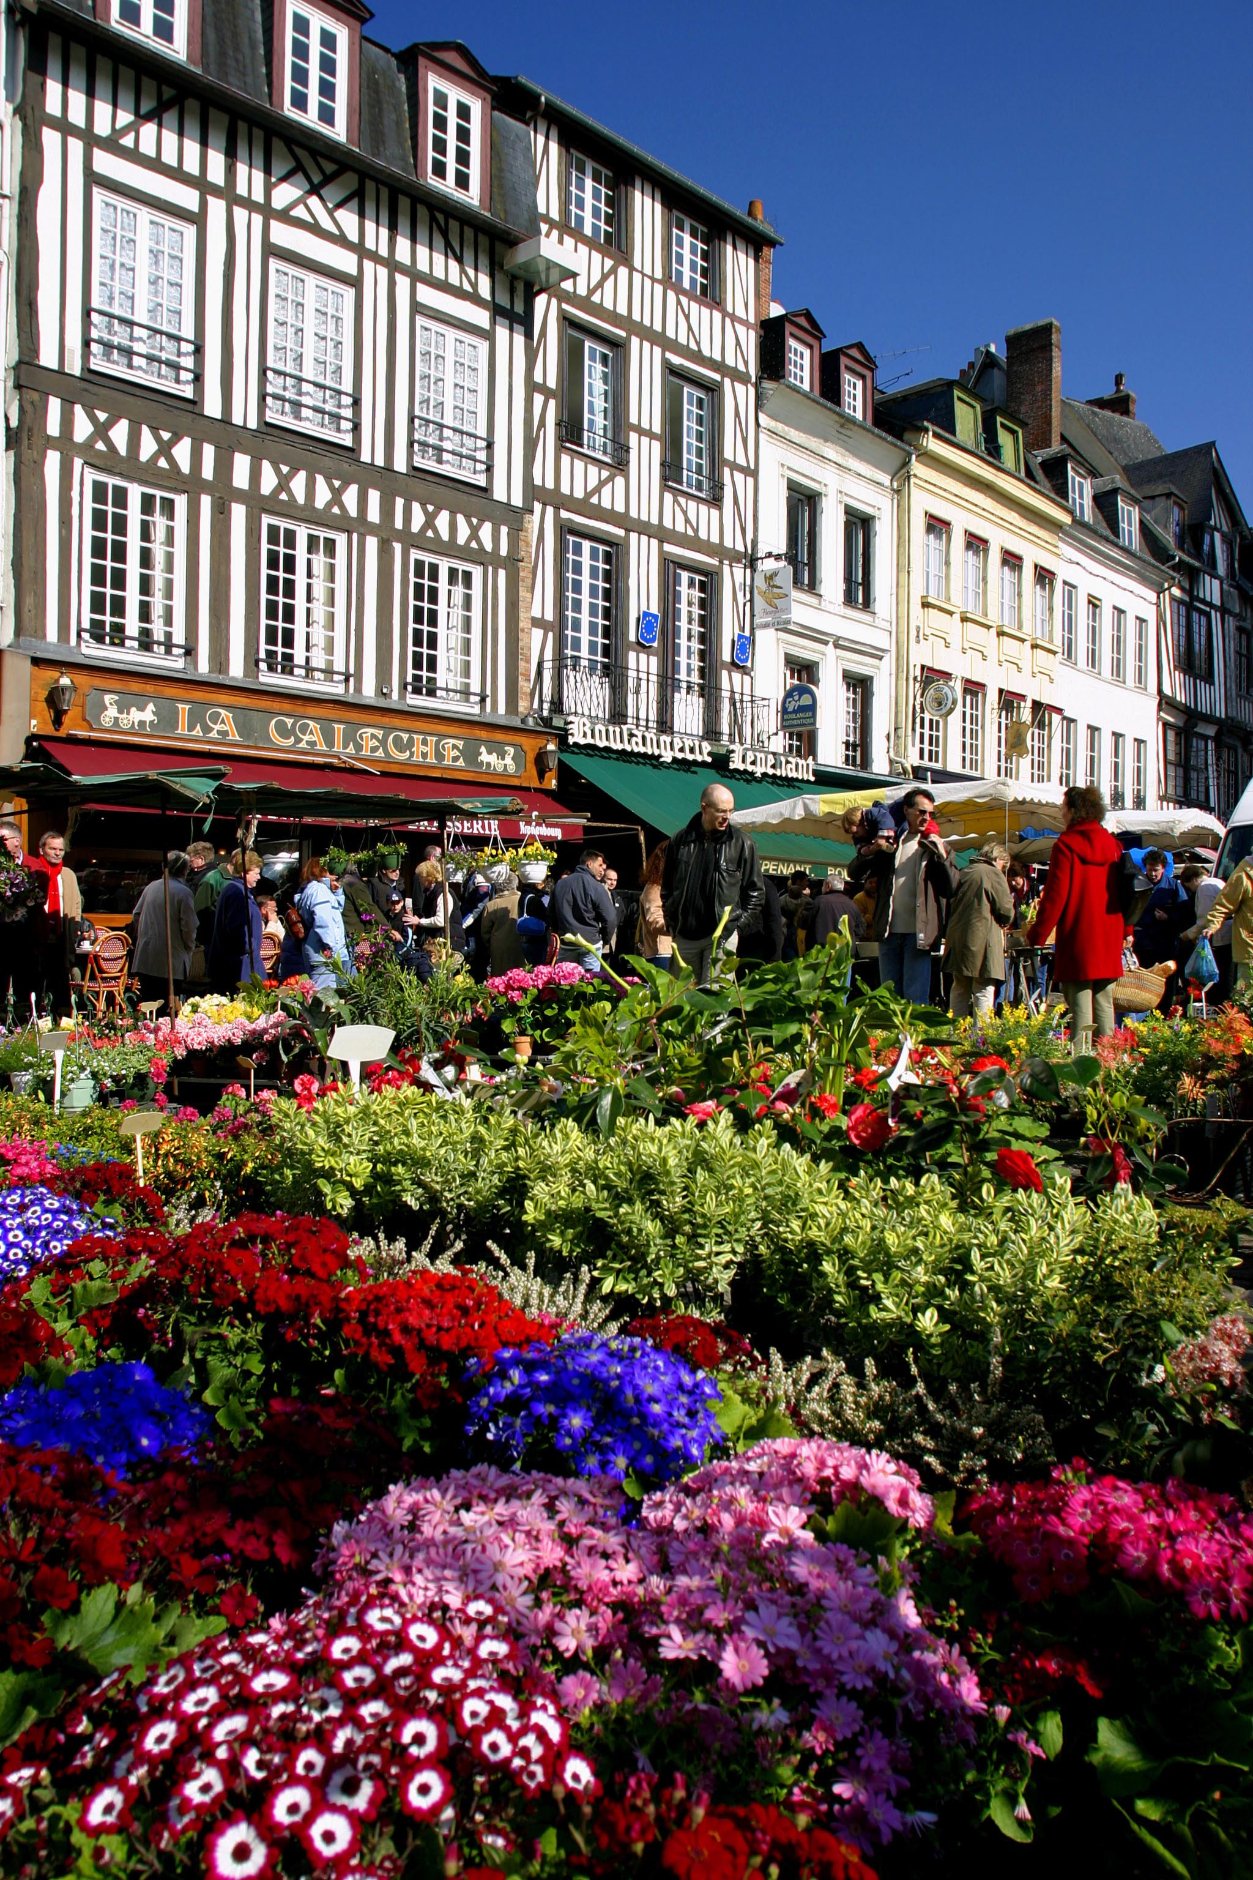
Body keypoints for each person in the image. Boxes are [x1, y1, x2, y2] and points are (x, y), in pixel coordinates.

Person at [1023, 785, 1124, 1044]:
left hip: (1079, 935)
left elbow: (1055, 897)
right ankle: (1108, 1059)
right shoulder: (1113, 845)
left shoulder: (1066, 845)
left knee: (1079, 1005)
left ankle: (1081, 1061)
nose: (1061, 811)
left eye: (1063, 806)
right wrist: (1128, 930)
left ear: (1074, 811)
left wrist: (1037, 934)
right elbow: (1125, 893)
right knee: (1104, 1002)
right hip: (1109, 935)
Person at [847, 787, 956, 1004]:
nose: (926, 817)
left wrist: (941, 857)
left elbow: (951, 887)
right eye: (921, 811)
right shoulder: (891, 841)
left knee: (915, 1000)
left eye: (931, 813)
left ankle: (912, 1029)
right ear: (906, 810)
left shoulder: (935, 844)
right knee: (889, 999)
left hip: (919, 935)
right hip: (888, 932)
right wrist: (872, 851)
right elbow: (854, 873)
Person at [661, 783, 765, 988]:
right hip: (684, 935)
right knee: (680, 998)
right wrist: (671, 920)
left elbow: (756, 892)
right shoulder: (680, 840)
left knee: (715, 1000)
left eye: (730, 811)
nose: (727, 817)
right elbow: (667, 887)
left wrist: (737, 927)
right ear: (704, 808)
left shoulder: (743, 843)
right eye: (721, 811)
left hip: (721, 936)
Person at [943, 843, 1014, 1020]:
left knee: (960, 988)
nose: (1003, 869)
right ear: (997, 859)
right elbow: (1006, 910)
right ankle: (981, 1034)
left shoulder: (963, 872)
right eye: (1004, 865)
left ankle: (955, 1031)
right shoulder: (992, 873)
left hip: (957, 940)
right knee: (983, 989)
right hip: (982, 941)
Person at [131, 851, 197, 1012]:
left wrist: (145, 936)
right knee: (167, 1008)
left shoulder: (151, 887)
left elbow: (136, 915)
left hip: (147, 957)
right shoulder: (183, 892)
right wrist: (188, 949)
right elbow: (189, 927)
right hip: (171, 959)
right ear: (185, 870)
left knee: (148, 1005)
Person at [28, 831, 82, 1014]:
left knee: (59, 981)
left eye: (61, 850)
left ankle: (60, 1019)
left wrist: (75, 928)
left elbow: (76, 905)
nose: (57, 853)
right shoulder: (33, 871)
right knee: (35, 980)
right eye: (53, 849)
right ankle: (32, 1018)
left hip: (61, 935)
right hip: (37, 934)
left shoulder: (68, 875)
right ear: (41, 850)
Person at [1186, 857, 1253, 993]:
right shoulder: (1243, 874)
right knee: (1247, 993)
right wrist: (1212, 925)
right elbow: (1223, 903)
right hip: (1250, 948)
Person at [0, 819, 46, 1017]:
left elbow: (40, 898)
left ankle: (24, 1023)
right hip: (1, 936)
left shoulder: (34, 867)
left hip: (26, 936)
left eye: (3, 839)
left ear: (16, 841)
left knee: (25, 986)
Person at [206, 849, 264, 993]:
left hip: (238, 964)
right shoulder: (238, 893)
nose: (259, 877)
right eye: (256, 873)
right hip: (239, 967)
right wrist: (251, 948)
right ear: (244, 873)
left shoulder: (235, 890)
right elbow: (238, 932)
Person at [549, 848, 617, 968]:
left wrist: (560, 933)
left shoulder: (561, 884)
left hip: (567, 942)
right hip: (590, 943)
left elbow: (551, 914)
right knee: (590, 979)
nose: (602, 869)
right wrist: (604, 939)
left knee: (566, 978)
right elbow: (610, 918)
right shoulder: (596, 886)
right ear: (589, 864)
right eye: (599, 865)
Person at [295, 857, 354, 990]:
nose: (335, 874)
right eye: (330, 870)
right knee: (325, 996)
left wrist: (337, 893)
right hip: (324, 954)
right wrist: (331, 947)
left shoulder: (317, 889)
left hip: (322, 953)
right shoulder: (319, 891)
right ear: (320, 871)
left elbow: (334, 912)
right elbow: (323, 921)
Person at [1131, 850, 1189, 968]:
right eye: (1149, 869)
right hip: (1142, 943)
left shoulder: (1173, 886)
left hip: (1165, 943)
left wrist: (1168, 917)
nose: (1152, 874)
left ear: (1163, 868)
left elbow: (1186, 913)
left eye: (1156, 870)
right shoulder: (1137, 883)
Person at [410, 858, 466, 957]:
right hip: (440, 941)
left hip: (450, 943)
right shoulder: (430, 893)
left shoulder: (443, 893)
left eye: (421, 877)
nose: (419, 879)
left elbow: (441, 920)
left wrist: (420, 922)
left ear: (429, 877)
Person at [802, 873, 866, 951]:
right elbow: (860, 930)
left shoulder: (819, 902)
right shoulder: (852, 905)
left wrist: (804, 898)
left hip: (822, 953)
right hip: (845, 953)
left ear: (828, 886)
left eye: (823, 886)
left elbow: (802, 922)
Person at [635, 841, 673, 970]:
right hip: (662, 953)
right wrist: (679, 928)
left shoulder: (668, 886)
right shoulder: (654, 887)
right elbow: (654, 921)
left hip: (671, 952)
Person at [738, 872, 785, 966]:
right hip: (737, 945)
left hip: (755, 946)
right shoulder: (732, 882)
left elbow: (774, 920)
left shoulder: (764, 884)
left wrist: (775, 957)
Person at [194, 850, 233, 948]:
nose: (258, 877)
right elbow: (200, 911)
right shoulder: (211, 879)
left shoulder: (242, 880)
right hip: (214, 940)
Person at [780, 871, 812, 961]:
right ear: (798, 881)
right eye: (806, 881)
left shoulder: (781, 899)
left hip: (783, 932)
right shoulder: (808, 902)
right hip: (800, 935)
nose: (807, 883)